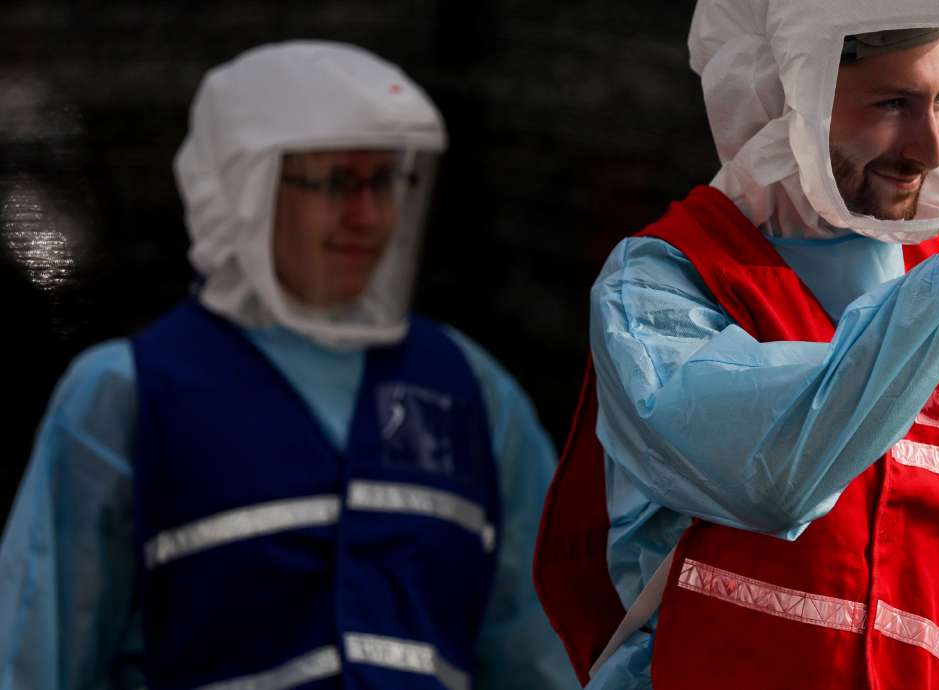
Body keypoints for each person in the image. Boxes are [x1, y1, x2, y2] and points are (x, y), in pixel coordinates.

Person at [534, 1, 939, 689]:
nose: (929, 146)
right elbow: (774, 476)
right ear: (790, 95)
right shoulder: (667, 285)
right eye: (893, 103)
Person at [0, 41, 575, 690]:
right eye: (336, 183)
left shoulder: (472, 391)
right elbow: (33, 659)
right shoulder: (126, 395)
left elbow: (545, 652)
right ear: (243, 191)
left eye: (386, 180)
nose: (370, 216)